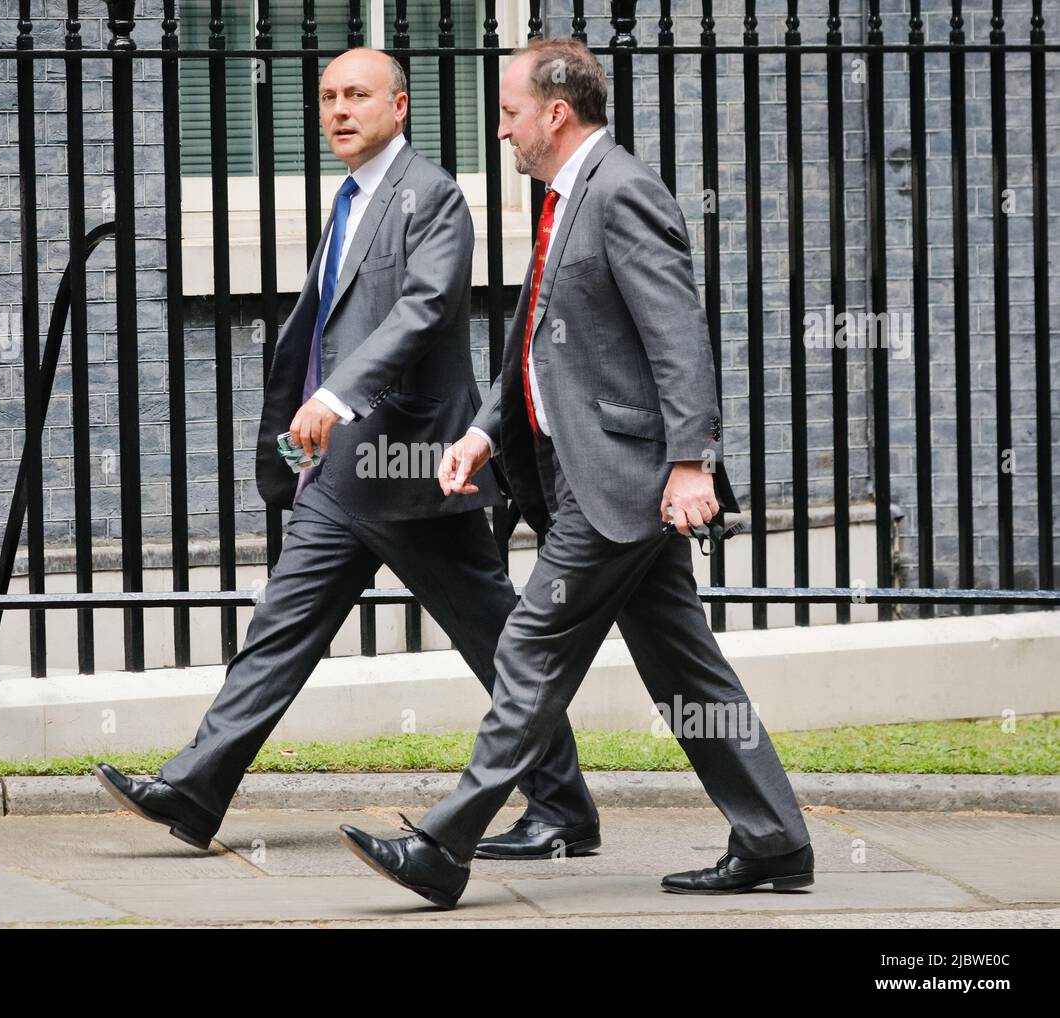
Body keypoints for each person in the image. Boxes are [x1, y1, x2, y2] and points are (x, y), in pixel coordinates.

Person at [337, 38, 814, 909]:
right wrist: (484, 436)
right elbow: (538, 347)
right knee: (687, 670)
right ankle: (775, 839)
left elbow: (679, 342)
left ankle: (444, 845)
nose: (503, 131)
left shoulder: (622, 191)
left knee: (527, 649)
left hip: (623, 482)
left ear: (557, 113)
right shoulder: (565, 198)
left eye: (512, 113)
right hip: (586, 477)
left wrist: (688, 465)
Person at [93, 47, 600, 859]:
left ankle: (564, 812)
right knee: (279, 627)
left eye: (357, 95)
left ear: (399, 107)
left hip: (415, 471)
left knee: (497, 641)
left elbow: (424, 312)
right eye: (328, 96)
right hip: (341, 476)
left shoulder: (432, 197)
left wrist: (335, 397)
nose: (338, 109)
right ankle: (196, 787)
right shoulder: (349, 199)